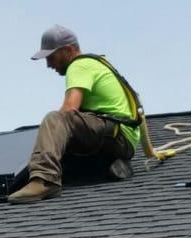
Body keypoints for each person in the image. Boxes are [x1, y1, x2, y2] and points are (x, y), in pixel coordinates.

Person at [8, 24, 139, 204]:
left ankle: (45, 180)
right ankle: (110, 165)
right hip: (122, 141)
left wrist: (50, 135)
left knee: (55, 120)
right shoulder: (94, 64)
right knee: (64, 153)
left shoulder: (79, 66)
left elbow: (70, 109)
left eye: (51, 57)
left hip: (116, 134)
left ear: (68, 49)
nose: (48, 65)